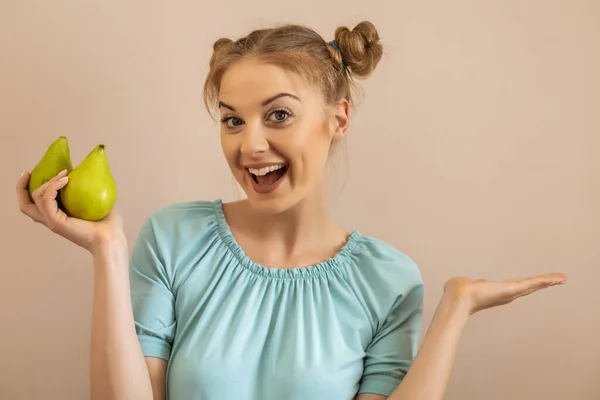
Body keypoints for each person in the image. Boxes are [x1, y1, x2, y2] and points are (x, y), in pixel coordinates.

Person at [16, 20, 566, 400]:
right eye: (232, 120)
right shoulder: (173, 238)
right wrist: (107, 250)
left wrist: (455, 307)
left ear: (338, 119)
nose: (249, 145)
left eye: (277, 115)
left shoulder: (388, 279)